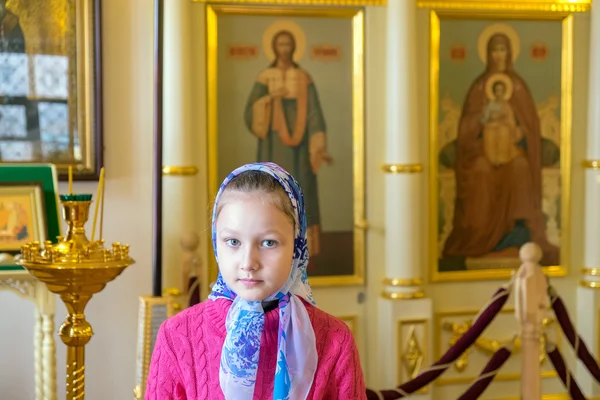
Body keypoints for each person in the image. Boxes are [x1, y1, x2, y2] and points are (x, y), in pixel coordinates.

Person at [145, 162, 366, 399]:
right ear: (215, 242)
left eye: (268, 242)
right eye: (233, 242)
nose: (249, 263)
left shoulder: (336, 340)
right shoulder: (178, 336)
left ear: (297, 245)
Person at [442, 32, 559, 266]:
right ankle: (479, 232)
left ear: (510, 53)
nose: (499, 55)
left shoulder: (518, 88)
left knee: (520, 166)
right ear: (487, 54)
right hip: (480, 148)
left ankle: (517, 229)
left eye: (503, 49)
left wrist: (519, 131)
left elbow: (530, 126)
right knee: (481, 170)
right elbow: (466, 128)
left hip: (512, 149)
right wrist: (482, 122)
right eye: (494, 49)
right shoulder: (478, 88)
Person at [244, 29, 333, 260]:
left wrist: (318, 144)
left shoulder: (303, 77)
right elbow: (251, 110)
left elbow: (314, 113)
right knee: (273, 190)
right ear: (274, 48)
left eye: (288, 44)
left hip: (301, 148)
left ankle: (304, 251)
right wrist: (271, 99)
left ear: (293, 48)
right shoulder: (266, 76)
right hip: (273, 145)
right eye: (280, 45)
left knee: (303, 191)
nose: (284, 49)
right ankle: (269, 245)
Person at [480, 79, 522, 167]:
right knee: (489, 132)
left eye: (501, 90)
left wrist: (503, 120)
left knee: (504, 132)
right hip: (491, 125)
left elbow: (511, 119)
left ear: (504, 92)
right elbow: (484, 119)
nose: (499, 93)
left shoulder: (507, 105)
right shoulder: (490, 105)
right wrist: (491, 118)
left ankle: (503, 158)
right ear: (494, 92)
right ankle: (492, 159)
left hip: (504, 126)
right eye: (497, 90)